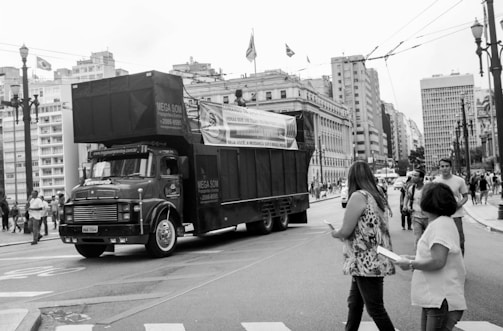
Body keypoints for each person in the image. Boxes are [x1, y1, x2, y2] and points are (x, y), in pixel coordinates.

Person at [330, 160, 395, 331]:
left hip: (366, 260)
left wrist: (334, 232)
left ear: (352, 177)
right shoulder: (377, 194)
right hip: (374, 256)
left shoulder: (358, 196)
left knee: (375, 309)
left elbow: (345, 230)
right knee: (355, 303)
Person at [395, 183, 466, 330]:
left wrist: (410, 263)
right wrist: (411, 258)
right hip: (435, 297)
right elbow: (433, 255)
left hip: (440, 297)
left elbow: (438, 261)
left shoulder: (440, 225)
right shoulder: (441, 223)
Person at [434, 158, 469, 256]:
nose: (444, 168)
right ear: (439, 168)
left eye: (447, 166)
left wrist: (459, 204)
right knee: (443, 241)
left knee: (459, 240)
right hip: (441, 216)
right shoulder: (436, 182)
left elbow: (465, 197)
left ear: (450, 167)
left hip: (456, 215)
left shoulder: (459, 180)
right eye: (442, 166)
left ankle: (460, 263)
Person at [403, 169, 429, 248]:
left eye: (415, 175)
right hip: (416, 217)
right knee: (418, 238)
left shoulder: (427, 188)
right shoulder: (412, 188)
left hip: (428, 217)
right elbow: (407, 197)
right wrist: (405, 206)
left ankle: (429, 256)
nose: (412, 177)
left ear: (421, 178)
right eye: (412, 175)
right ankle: (419, 256)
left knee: (429, 237)